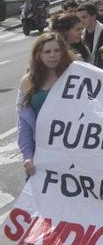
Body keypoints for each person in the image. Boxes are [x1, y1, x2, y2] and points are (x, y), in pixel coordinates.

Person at [17, 33, 74, 178]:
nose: (53, 55)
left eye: (57, 50)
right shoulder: (27, 82)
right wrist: (28, 155)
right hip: (42, 152)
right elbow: (24, 123)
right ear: (38, 55)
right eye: (47, 52)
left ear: (63, 52)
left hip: (72, 151)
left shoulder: (75, 75)